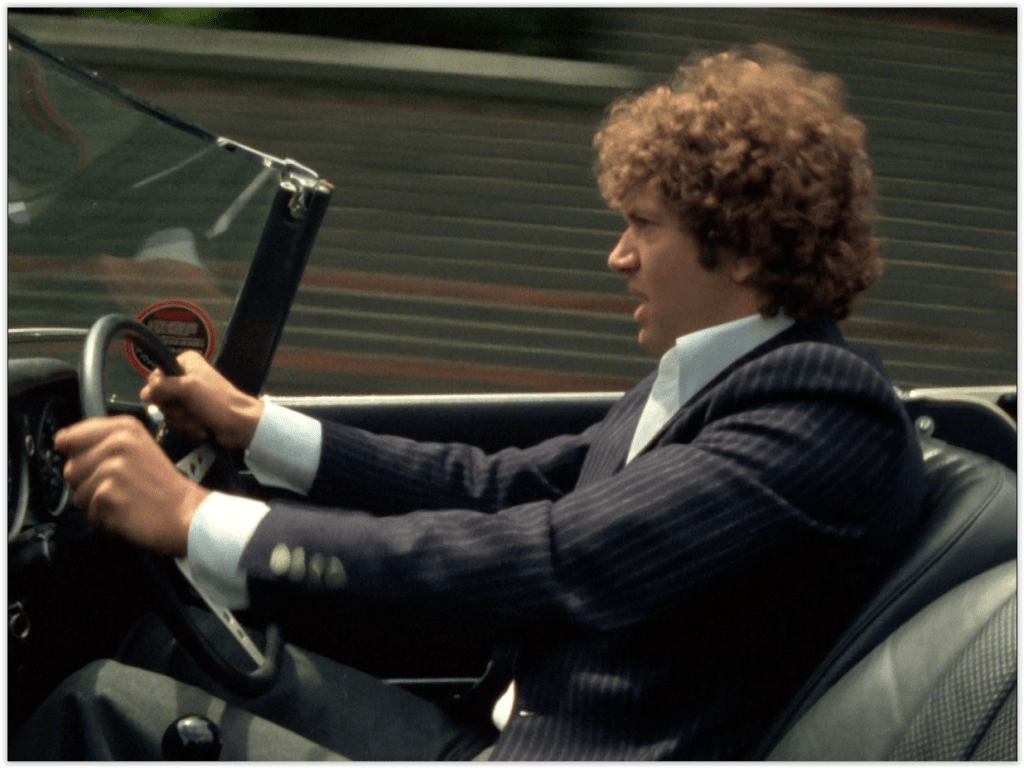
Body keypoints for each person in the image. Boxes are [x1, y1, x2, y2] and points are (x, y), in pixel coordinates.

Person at [13, 44, 924, 761]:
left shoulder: (818, 413)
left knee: (93, 710)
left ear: (748, 250)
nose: (618, 255)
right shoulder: (716, 379)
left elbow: (553, 558)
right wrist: (254, 426)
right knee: (158, 648)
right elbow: (500, 487)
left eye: (644, 225)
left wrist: (195, 517)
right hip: (507, 731)